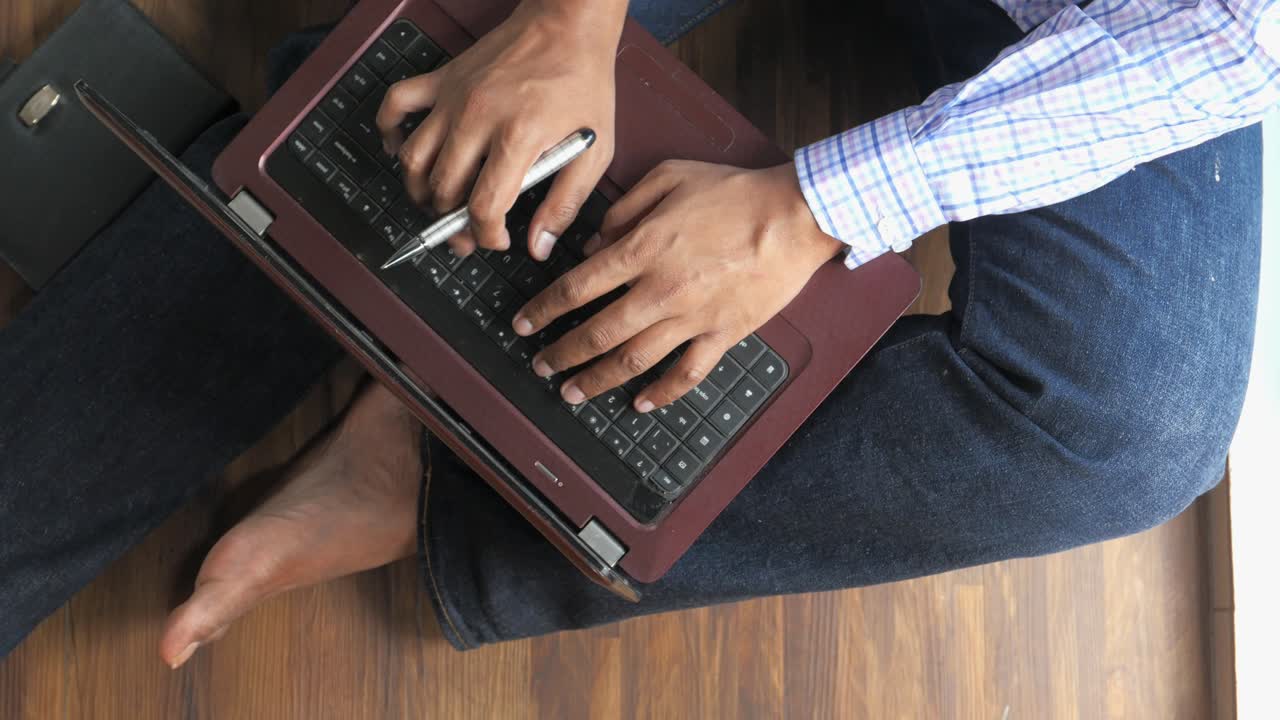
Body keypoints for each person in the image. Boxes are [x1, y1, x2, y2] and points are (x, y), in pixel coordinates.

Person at [0, 0, 1272, 666]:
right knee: (418, 110)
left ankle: (461, 470)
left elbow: (1235, 34)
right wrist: (567, 20)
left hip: (1132, 22)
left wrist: (813, 207)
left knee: (1125, 426)